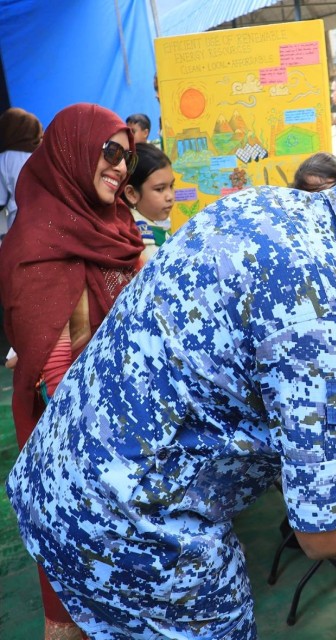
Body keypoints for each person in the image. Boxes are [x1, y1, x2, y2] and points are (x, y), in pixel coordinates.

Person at [5, 167, 336, 638]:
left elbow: (241, 381)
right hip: (131, 531)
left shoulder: (264, 205)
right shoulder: (330, 322)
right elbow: (326, 532)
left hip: (57, 477)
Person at [0, 103, 143, 640]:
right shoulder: (37, 246)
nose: (119, 167)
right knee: (90, 589)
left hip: (139, 434)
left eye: (127, 157)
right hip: (88, 448)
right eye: (109, 151)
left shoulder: (115, 225)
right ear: (71, 151)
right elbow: (56, 378)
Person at [122, 143, 174, 263]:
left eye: (171, 186)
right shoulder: (142, 240)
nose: (170, 196)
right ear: (131, 194)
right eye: (159, 189)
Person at [0, 107, 42, 237]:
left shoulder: (5, 159)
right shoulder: (46, 154)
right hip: (53, 224)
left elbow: (1, 200)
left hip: (21, 228)